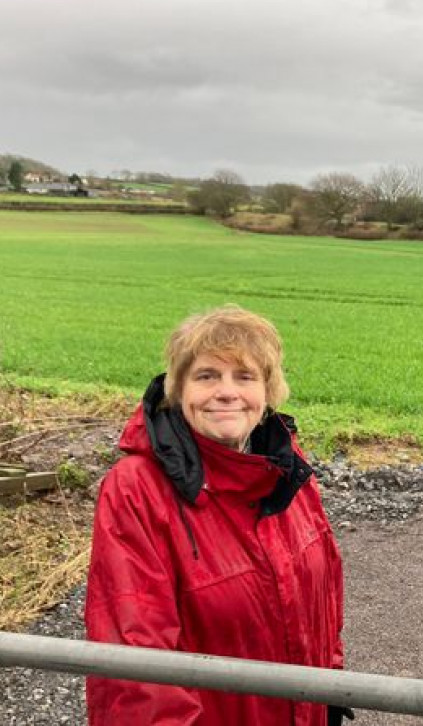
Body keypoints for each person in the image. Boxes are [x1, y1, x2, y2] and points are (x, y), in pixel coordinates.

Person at [85, 305, 347, 726]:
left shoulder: (288, 470)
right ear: (179, 388)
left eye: (244, 377)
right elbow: (136, 663)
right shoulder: (137, 489)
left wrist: (330, 689)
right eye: (207, 376)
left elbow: (325, 594)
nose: (227, 392)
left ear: (268, 392)